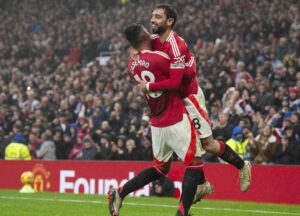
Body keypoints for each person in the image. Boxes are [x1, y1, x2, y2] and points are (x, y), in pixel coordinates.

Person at [138, 4, 251, 193]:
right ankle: (202, 184)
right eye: (152, 15)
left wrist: (149, 86)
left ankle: (242, 166)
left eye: (157, 16)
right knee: (189, 148)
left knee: (208, 145)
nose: (152, 19)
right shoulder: (154, 41)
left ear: (169, 21)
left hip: (189, 99)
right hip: (172, 101)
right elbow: (138, 48)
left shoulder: (177, 45)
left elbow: (176, 82)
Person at [108, 23, 213, 216]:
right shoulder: (161, 58)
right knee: (195, 164)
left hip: (157, 122)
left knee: (160, 168)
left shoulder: (132, 63)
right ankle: (182, 213)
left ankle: (120, 192)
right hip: (175, 117)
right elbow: (180, 77)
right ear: (146, 35)